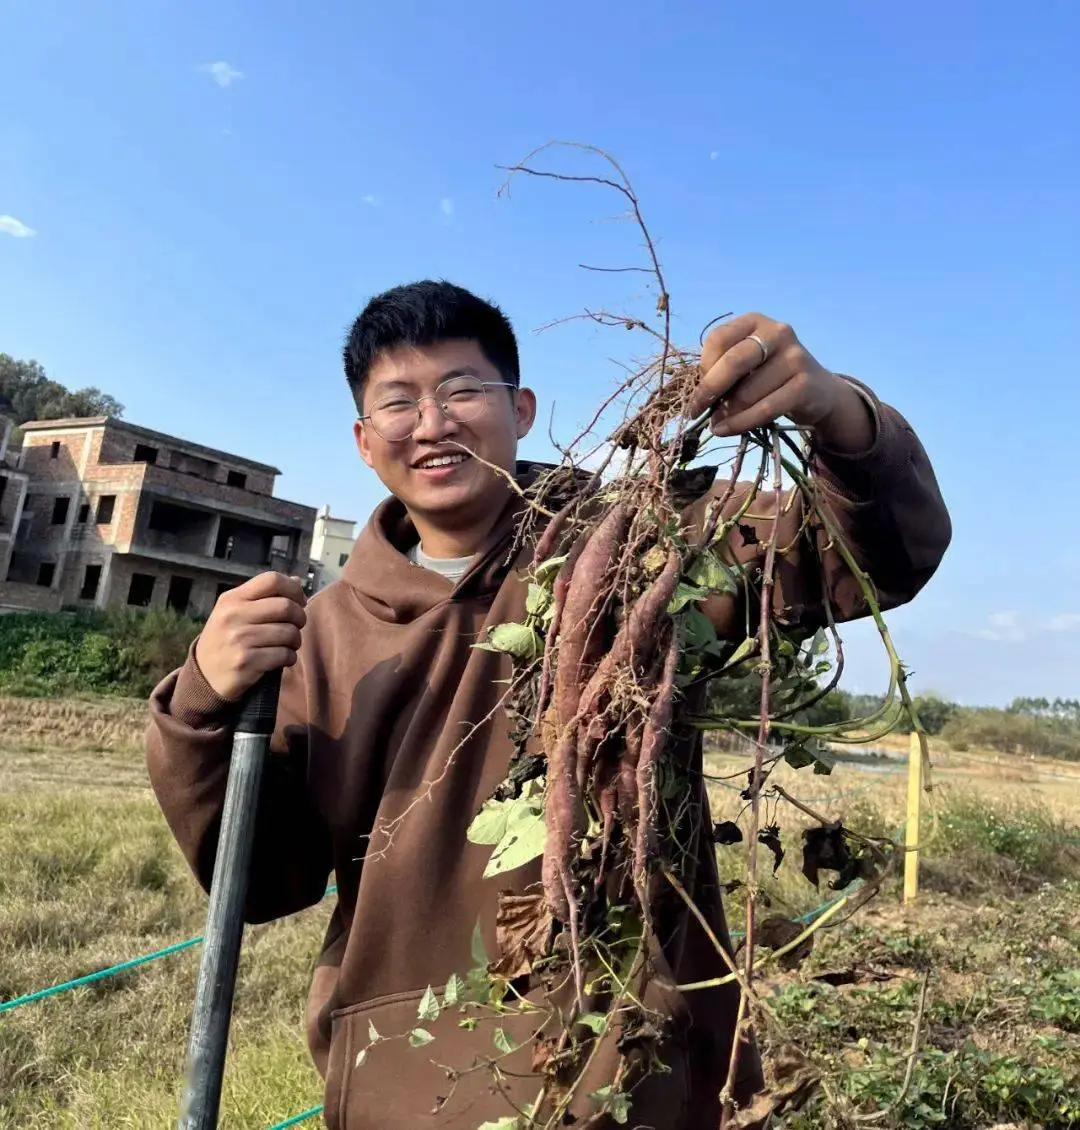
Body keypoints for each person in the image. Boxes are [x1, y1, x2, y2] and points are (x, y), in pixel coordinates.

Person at [147, 280, 951, 1130]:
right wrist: (200, 700)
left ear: (521, 408)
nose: (433, 422)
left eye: (462, 390)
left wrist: (839, 414)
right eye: (399, 403)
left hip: (634, 1065)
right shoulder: (320, 635)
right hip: (414, 1084)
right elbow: (267, 880)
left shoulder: (647, 543)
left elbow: (873, 553)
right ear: (362, 441)